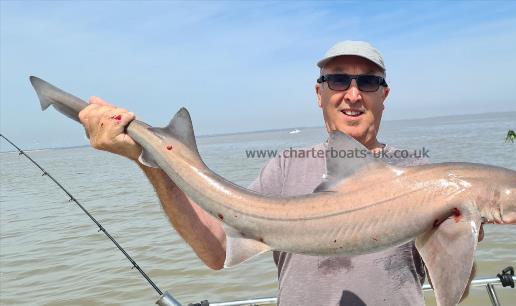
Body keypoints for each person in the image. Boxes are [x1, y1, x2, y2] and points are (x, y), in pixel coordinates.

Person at [78, 40, 481, 305]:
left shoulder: (421, 174)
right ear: (319, 93)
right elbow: (217, 251)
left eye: (369, 81)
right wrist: (150, 163)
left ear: (384, 95)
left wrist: (467, 238)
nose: (353, 93)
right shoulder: (287, 166)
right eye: (338, 79)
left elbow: (455, 293)